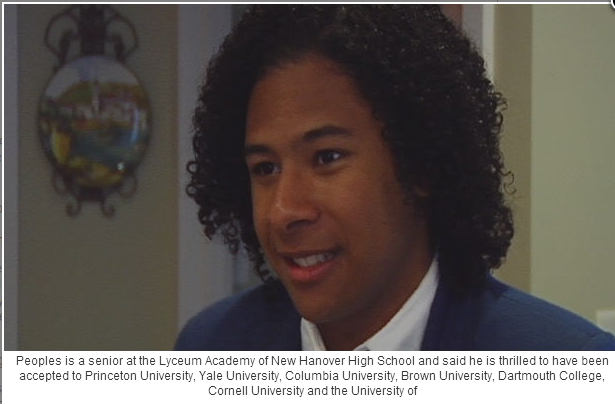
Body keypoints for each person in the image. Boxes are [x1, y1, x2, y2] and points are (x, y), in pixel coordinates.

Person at [175, 5, 615, 350]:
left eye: (326, 157)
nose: (283, 210)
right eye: (265, 168)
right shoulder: (212, 346)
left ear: (420, 160)